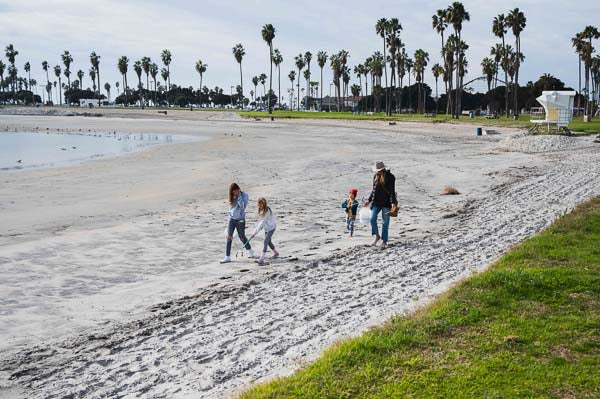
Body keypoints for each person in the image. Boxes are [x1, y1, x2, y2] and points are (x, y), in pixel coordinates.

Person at [364, 161, 398, 248]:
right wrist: (369, 200)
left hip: (386, 203)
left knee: (385, 222)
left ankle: (384, 240)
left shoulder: (390, 177)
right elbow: (374, 190)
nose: (376, 172)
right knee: (372, 219)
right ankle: (377, 236)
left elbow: (392, 192)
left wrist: (393, 203)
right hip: (376, 202)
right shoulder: (375, 176)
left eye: (378, 170)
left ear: (382, 169)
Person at [221, 183, 254, 263]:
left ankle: (250, 250)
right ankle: (227, 257)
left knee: (242, 237)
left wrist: (239, 197)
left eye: (236, 190)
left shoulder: (244, 195)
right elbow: (231, 208)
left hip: (240, 220)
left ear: (239, 189)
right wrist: (230, 215)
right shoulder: (231, 196)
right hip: (231, 219)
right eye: (233, 192)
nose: (235, 192)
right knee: (229, 237)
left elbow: (243, 206)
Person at [250, 197, 279, 265]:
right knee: (268, 242)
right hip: (267, 228)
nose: (260, 206)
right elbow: (261, 223)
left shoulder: (267, 210)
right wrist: (255, 232)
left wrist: (254, 232)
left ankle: (261, 259)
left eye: (262, 204)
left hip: (271, 227)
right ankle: (276, 253)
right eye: (259, 204)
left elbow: (262, 222)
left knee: (265, 241)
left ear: (264, 204)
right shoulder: (260, 210)